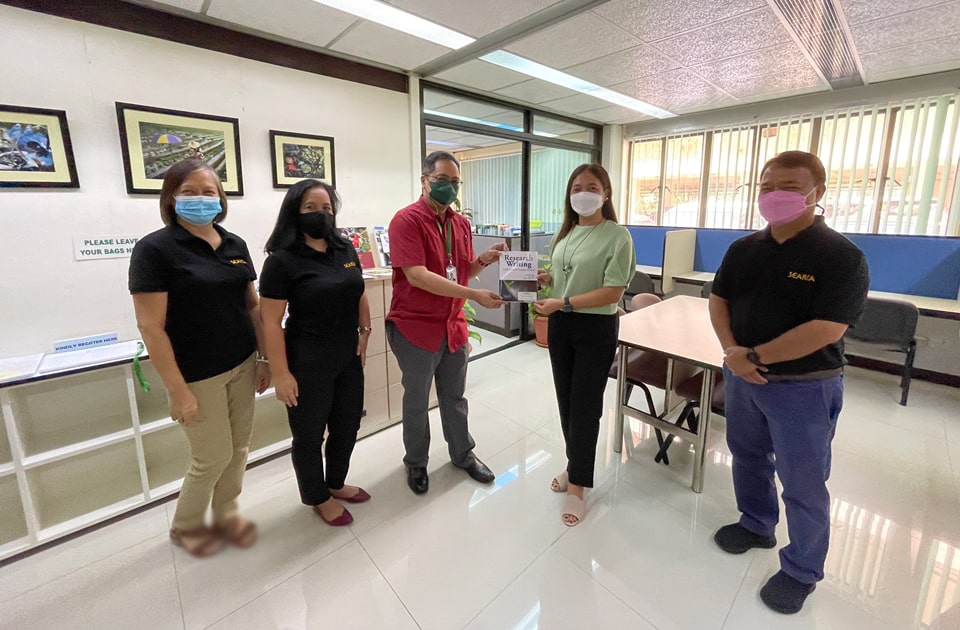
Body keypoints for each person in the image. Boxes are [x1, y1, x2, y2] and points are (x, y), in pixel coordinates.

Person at [708, 150, 869, 614]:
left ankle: (801, 569)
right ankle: (757, 522)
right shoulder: (744, 249)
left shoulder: (841, 256)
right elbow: (718, 301)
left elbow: (827, 327)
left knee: (803, 480)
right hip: (743, 378)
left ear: (817, 194)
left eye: (790, 188)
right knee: (748, 455)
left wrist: (753, 356)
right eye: (766, 186)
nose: (775, 196)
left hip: (803, 386)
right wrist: (734, 355)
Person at [129, 158, 270, 557]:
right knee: (211, 456)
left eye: (209, 191)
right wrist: (177, 391)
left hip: (242, 363)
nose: (201, 199)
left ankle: (225, 516)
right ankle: (186, 527)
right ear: (172, 199)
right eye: (189, 191)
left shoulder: (235, 244)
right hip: (195, 374)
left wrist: (264, 359)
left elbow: (252, 306)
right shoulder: (154, 249)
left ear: (221, 198)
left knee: (239, 448)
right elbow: (150, 327)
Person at [386, 150, 506, 495]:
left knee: (454, 396)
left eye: (455, 182)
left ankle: (463, 454)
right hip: (415, 327)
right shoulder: (406, 221)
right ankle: (417, 463)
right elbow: (418, 276)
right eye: (441, 181)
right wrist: (473, 296)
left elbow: (461, 270)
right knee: (417, 400)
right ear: (424, 181)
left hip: (451, 326)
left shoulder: (460, 223)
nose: (449, 188)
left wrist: (483, 260)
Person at [259, 180, 371, 527]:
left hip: (347, 355)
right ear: (295, 211)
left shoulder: (344, 248)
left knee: (347, 424)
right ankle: (317, 495)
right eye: (311, 207)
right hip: (306, 359)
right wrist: (280, 373)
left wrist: (365, 333)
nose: (321, 214)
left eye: (327, 208)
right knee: (309, 434)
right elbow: (270, 322)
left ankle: (335, 482)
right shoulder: (282, 260)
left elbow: (359, 292)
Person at [534, 164, 636, 527]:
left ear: (605, 193)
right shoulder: (565, 233)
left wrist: (564, 302)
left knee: (586, 405)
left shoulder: (617, 235)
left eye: (591, 187)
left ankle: (578, 485)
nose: (583, 193)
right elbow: (563, 276)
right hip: (562, 324)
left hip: (595, 326)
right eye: (577, 187)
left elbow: (613, 290)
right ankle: (573, 464)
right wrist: (546, 278)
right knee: (567, 402)